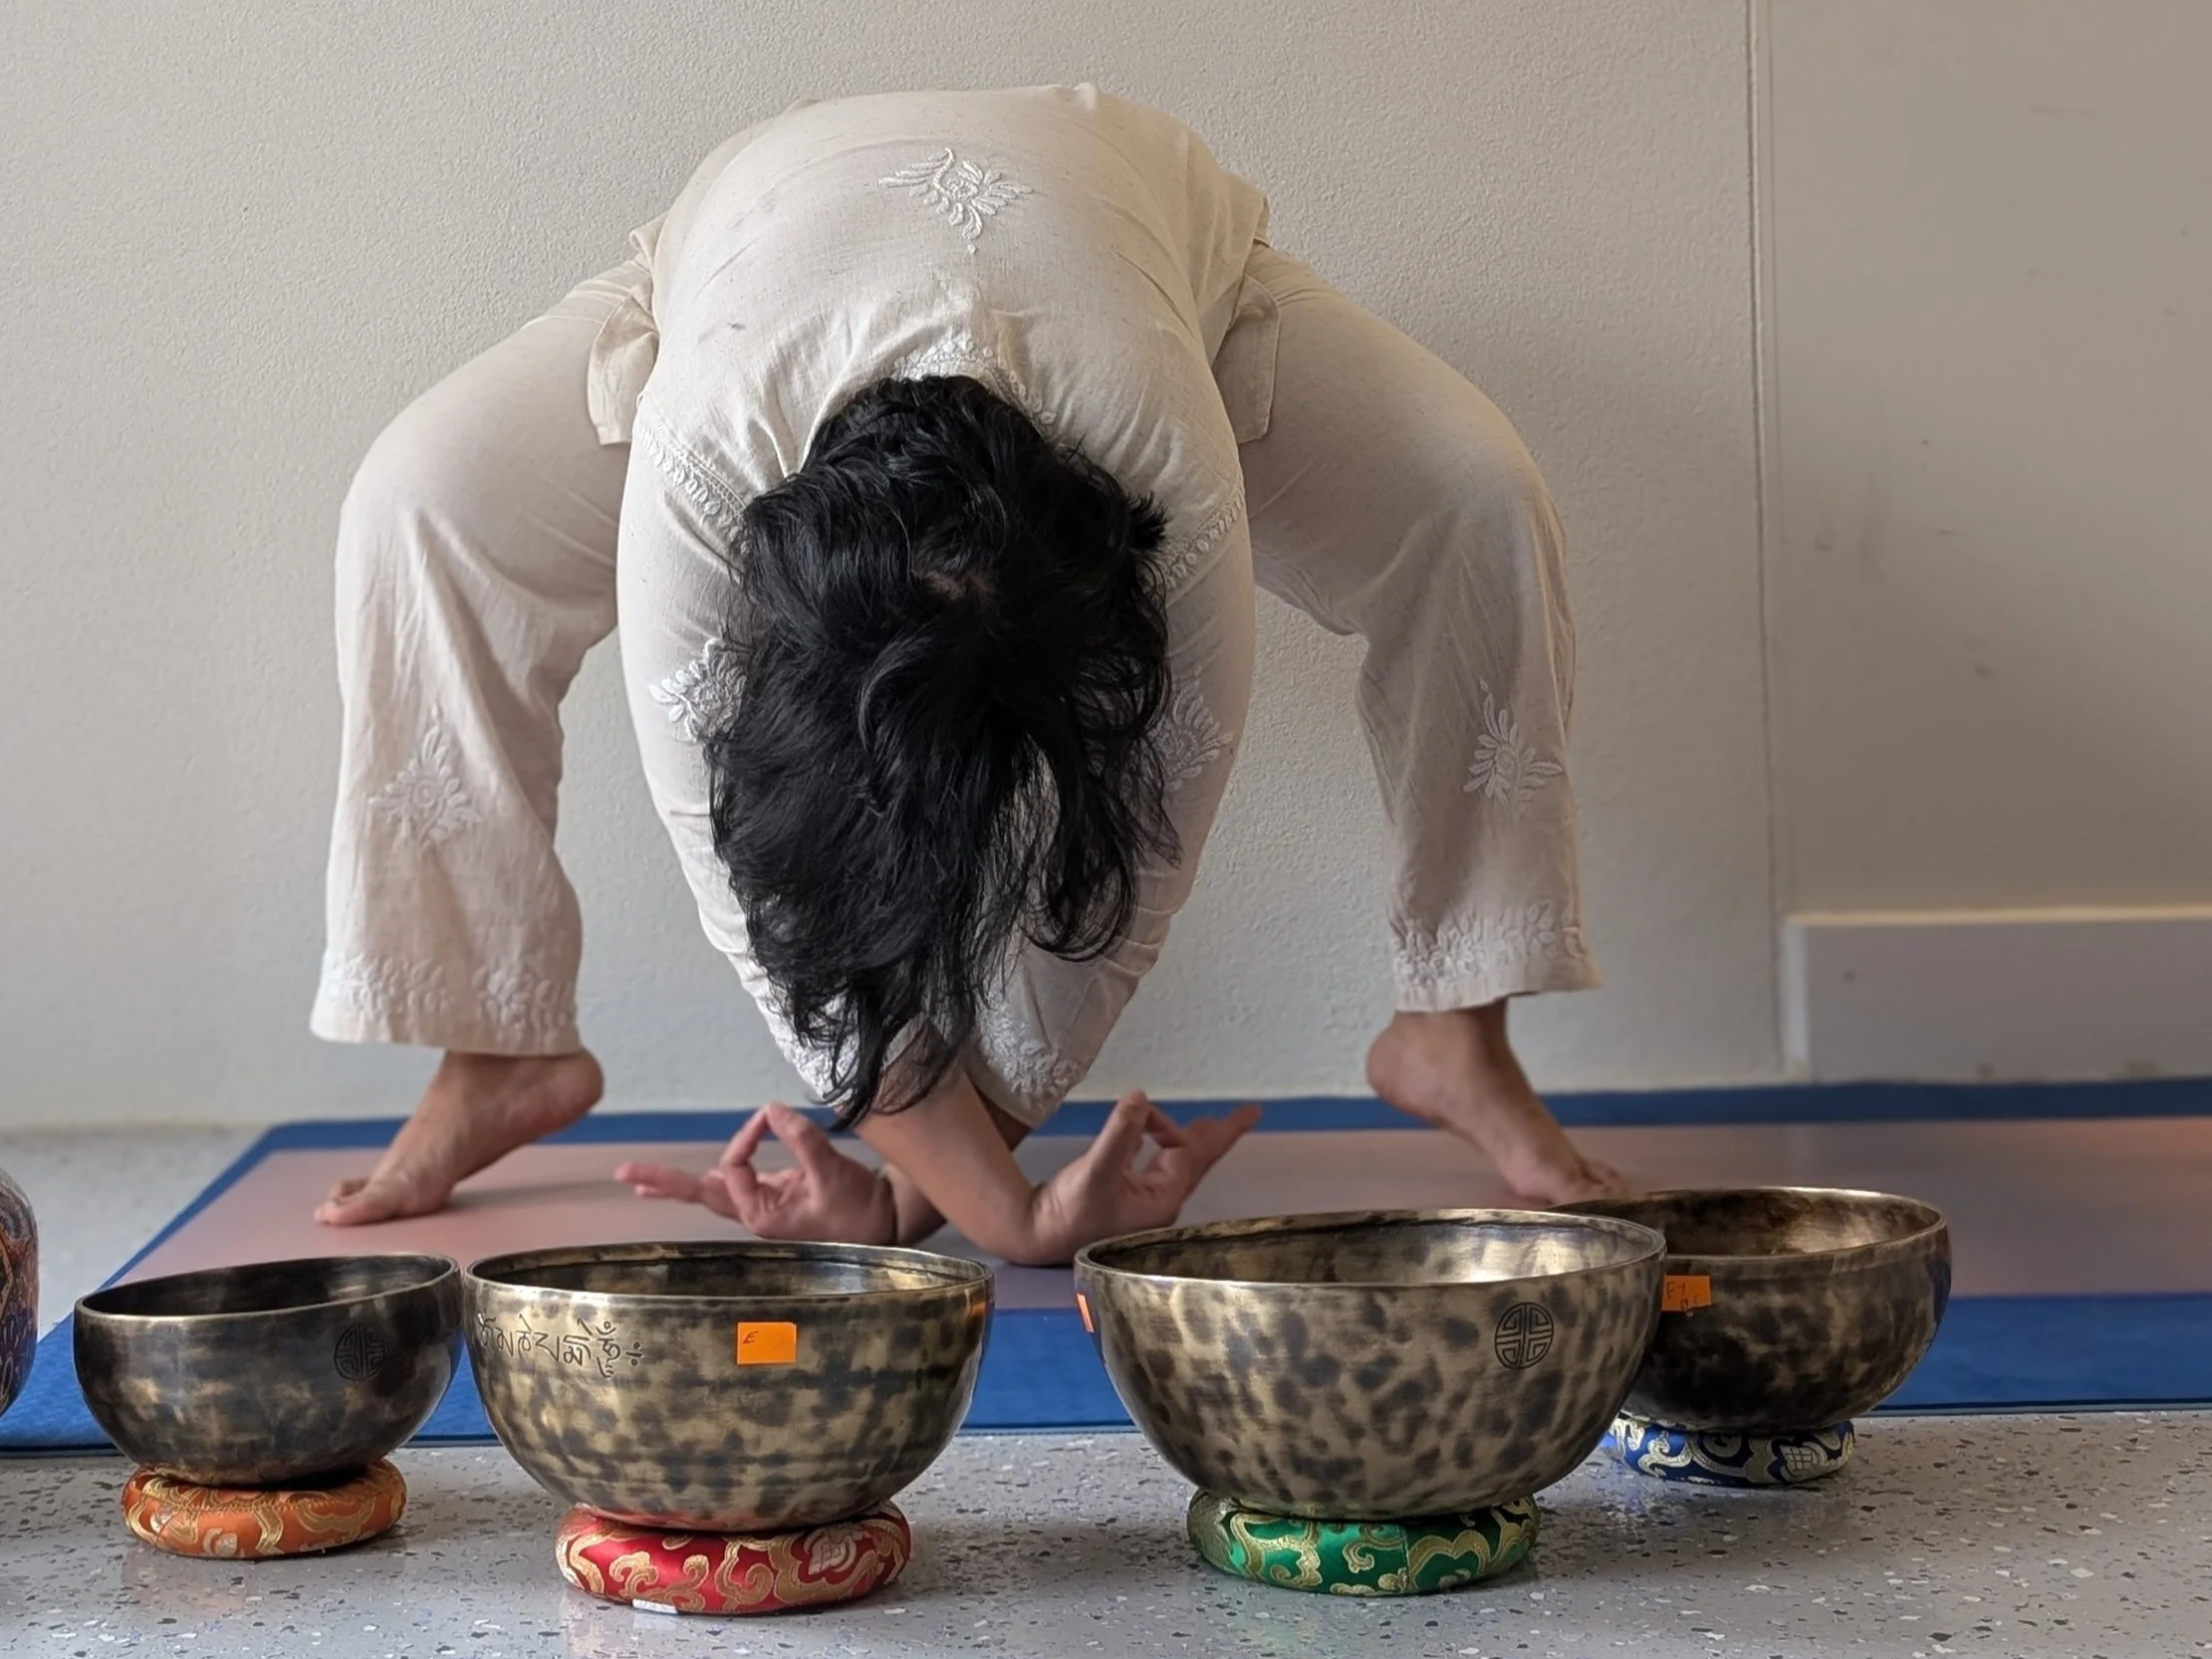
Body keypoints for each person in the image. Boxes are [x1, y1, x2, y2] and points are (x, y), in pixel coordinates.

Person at [309, 86, 1622, 1262]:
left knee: (1476, 499)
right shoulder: (708, 467)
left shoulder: (1157, 450)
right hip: (735, 262)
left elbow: (1139, 861)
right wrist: (993, 1203)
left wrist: (947, 1197)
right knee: (418, 503)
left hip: (1153, 267)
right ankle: (496, 1045)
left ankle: (1456, 1024)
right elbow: (755, 876)